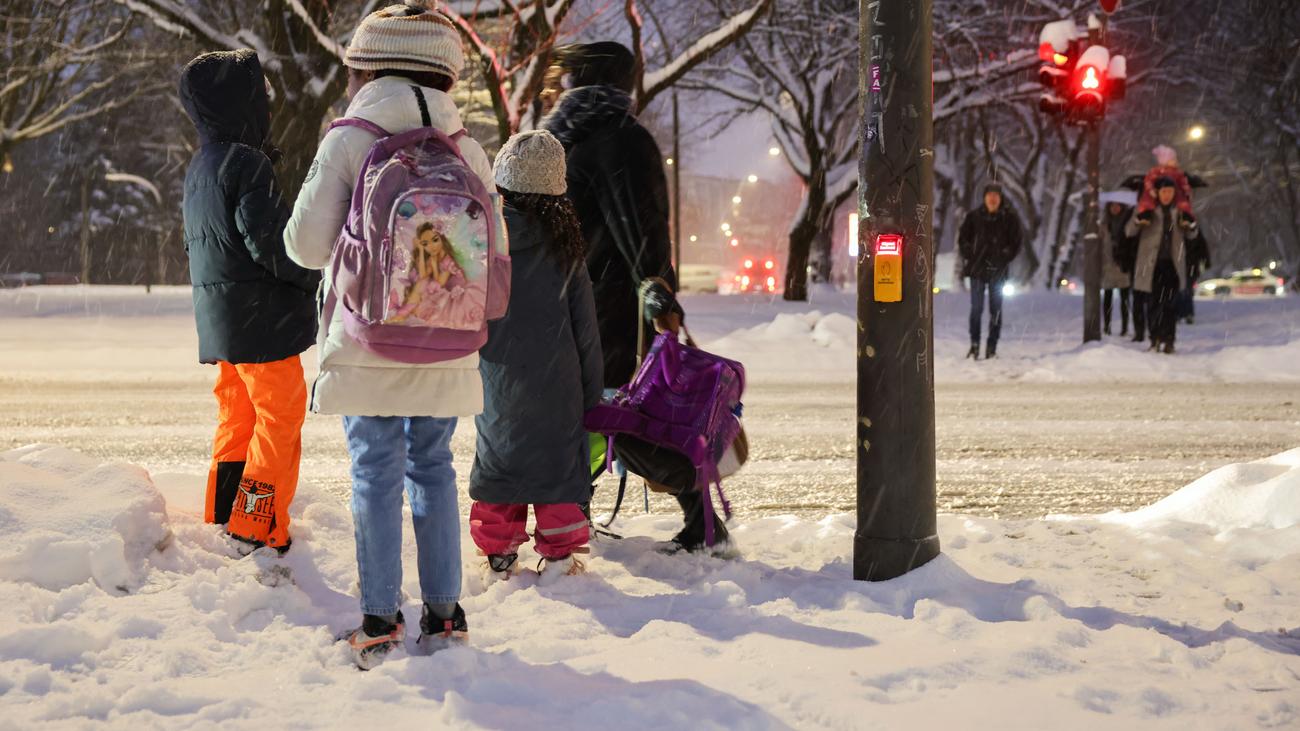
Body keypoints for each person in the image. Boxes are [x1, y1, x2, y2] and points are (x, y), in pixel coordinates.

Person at [283, 2, 493, 668]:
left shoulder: (350, 139)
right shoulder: (470, 148)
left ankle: (378, 617)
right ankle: (444, 613)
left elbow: (305, 245)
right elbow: (495, 257)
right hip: (451, 340)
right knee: (433, 467)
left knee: (375, 470)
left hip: (371, 337)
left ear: (366, 66)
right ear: (445, 74)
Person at [541, 43, 723, 550]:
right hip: (599, 302)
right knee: (616, 414)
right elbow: (638, 227)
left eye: (567, 75)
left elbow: (633, 226)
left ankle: (579, 517)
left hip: (591, 303)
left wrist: (653, 289)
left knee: (611, 416)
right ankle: (698, 521)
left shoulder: (583, 139)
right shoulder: (608, 137)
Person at [179, 49, 319, 554]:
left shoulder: (201, 165)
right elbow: (272, 244)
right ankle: (255, 523)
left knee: (238, 416)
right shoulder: (247, 163)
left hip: (222, 323)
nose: (267, 105)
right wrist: (314, 278)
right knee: (279, 416)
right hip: (261, 324)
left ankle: (224, 509)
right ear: (243, 104)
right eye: (260, 96)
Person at [468, 130, 603, 584]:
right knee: (557, 469)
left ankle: (498, 549)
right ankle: (562, 553)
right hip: (558, 384)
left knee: (499, 461)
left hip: (497, 378)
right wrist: (590, 396)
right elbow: (586, 330)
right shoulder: (565, 249)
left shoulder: (486, 239)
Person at [1125, 176, 1197, 354]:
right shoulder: (1146, 209)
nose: (1167, 195)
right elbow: (1129, 231)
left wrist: (1191, 224)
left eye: (1170, 192)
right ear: (1157, 193)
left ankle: (1169, 340)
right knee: (1153, 303)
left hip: (1172, 265)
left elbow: (1192, 235)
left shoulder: (1179, 211)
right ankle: (1155, 338)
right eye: (1163, 191)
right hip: (1152, 265)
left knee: (1170, 305)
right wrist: (1138, 220)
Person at [958, 182, 1023, 359]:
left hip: (998, 270)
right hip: (977, 270)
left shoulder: (1009, 218)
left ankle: (991, 347)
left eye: (996, 196)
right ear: (984, 198)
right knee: (976, 309)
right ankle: (975, 345)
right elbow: (963, 239)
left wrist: (1004, 255)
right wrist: (971, 254)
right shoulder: (973, 217)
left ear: (1000, 199)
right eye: (990, 195)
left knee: (996, 310)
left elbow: (1016, 242)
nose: (993, 199)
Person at [1101, 201, 1133, 336]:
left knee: (1125, 298)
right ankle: (1107, 326)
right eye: (1112, 205)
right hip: (1107, 265)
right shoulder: (1104, 224)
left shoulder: (1127, 223)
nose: (1115, 208)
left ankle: (1125, 327)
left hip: (1123, 265)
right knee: (1107, 298)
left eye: (1117, 205)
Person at [1136, 145, 1195, 217]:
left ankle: (1185, 215)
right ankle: (1145, 213)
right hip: (1158, 191)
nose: (1175, 161)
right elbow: (1149, 180)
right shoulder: (1157, 171)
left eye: (1175, 159)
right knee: (1148, 198)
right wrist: (1150, 189)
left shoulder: (1178, 172)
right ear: (1165, 161)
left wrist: (1186, 190)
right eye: (1173, 159)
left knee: (1182, 199)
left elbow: (1183, 182)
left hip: (1174, 191)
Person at [1180, 227, 1211, 324]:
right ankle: (1187, 313)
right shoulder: (1194, 230)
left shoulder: (1178, 230)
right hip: (1190, 265)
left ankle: (1183, 313)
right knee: (1186, 290)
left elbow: (1202, 247)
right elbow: (1202, 247)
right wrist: (1206, 261)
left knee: (1183, 290)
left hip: (1186, 265)